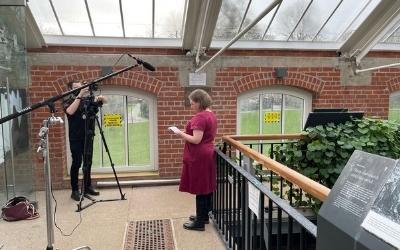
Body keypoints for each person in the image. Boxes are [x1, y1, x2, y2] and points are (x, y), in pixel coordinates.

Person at [173, 89, 217, 231]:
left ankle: (199, 223)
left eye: (192, 103)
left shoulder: (200, 117)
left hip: (199, 156)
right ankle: (203, 216)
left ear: (199, 102)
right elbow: (203, 136)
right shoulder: (211, 115)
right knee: (206, 186)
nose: (191, 106)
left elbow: (196, 140)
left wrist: (179, 133)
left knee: (200, 188)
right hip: (207, 154)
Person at [63, 80, 106, 201]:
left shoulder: (86, 100)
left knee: (88, 162)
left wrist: (100, 99)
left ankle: (87, 186)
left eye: (80, 87)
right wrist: (80, 94)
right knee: (77, 162)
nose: (79, 89)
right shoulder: (67, 100)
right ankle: (75, 190)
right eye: (76, 88)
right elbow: (70, 111)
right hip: (75, 137)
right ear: (70, 89)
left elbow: (98, 105)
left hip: (88, 135)